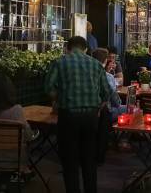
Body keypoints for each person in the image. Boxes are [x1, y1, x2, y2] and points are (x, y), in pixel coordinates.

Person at [45, 36, 110, 193]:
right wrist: (97, 108)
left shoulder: (59, 62)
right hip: (90, 116)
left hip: (68, 116)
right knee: (89, 159)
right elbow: (106, 92)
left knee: (70, 160)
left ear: (68, 48)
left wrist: (59, 98)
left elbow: (48, 88)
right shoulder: (96, 64)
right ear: (86, 49)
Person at [92, 48, 125, 164]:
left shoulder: (87, 73)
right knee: (132, 109)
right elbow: (114, 99)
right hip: (105, 111)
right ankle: (122, 141)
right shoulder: (107, 76)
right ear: (105, 61)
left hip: (88, 111)